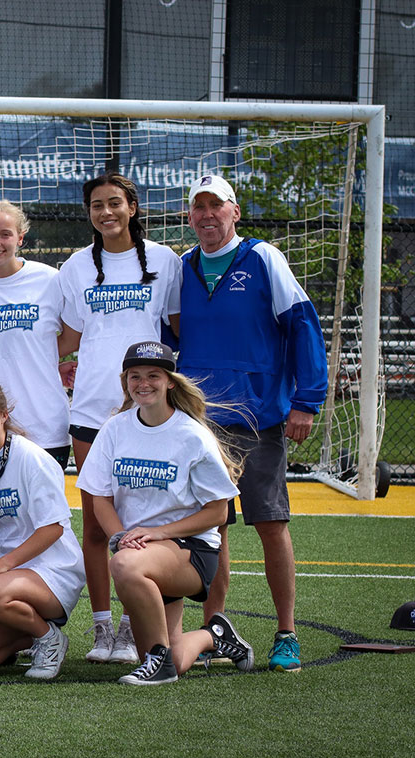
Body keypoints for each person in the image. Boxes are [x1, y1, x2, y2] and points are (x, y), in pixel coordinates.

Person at [179, 174, 328, 672]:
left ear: (234, 211)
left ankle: (286, 633)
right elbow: (165, 336)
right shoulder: (183, 267)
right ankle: (213, 632)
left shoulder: (263, 258)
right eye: (198, 207)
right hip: (201, 424)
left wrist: (307, 400)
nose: (207, 215)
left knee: (270, 524)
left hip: (258, 418)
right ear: (189, 216)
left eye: (216, 206)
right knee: (212, 528)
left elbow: (303, 324)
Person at [55, 173, 181, 665]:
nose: (105, 212)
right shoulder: (76, 266)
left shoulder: (166, 261)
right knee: (95, 525)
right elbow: (69, 338)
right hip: (91, 410)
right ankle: (103, 628)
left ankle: (132, 629)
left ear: (133, 207)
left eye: (114, 203)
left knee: (139, 522)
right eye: (96, 205)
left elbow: (178, 332)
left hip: (147, 411)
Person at [77, 341, 254, 685]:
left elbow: (218, 513)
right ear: (125, 381)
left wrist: (159, 533)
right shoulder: (115, 429)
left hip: (191, 551)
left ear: (171, 381)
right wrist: (120, 538)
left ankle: (159, 664)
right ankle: (214, 635)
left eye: (153, 376)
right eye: (135, 376)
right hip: (142, 551)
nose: (143, 383)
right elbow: (100, 499)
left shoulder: (192, 435)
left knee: (124, 566)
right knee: (174, 655)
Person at [0, 379, 85, 680]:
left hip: (53, 572)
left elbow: (53, 528)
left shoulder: (32, 458)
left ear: (3, 414)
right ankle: (26, 632)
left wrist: (0, 571)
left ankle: (49, 638)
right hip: (4, 583)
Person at [0, 201, 71, 467]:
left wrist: (43, 357)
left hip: (43, 421)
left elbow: (74, 334)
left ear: (20, 238)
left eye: (5, 234)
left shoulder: (49, 279)